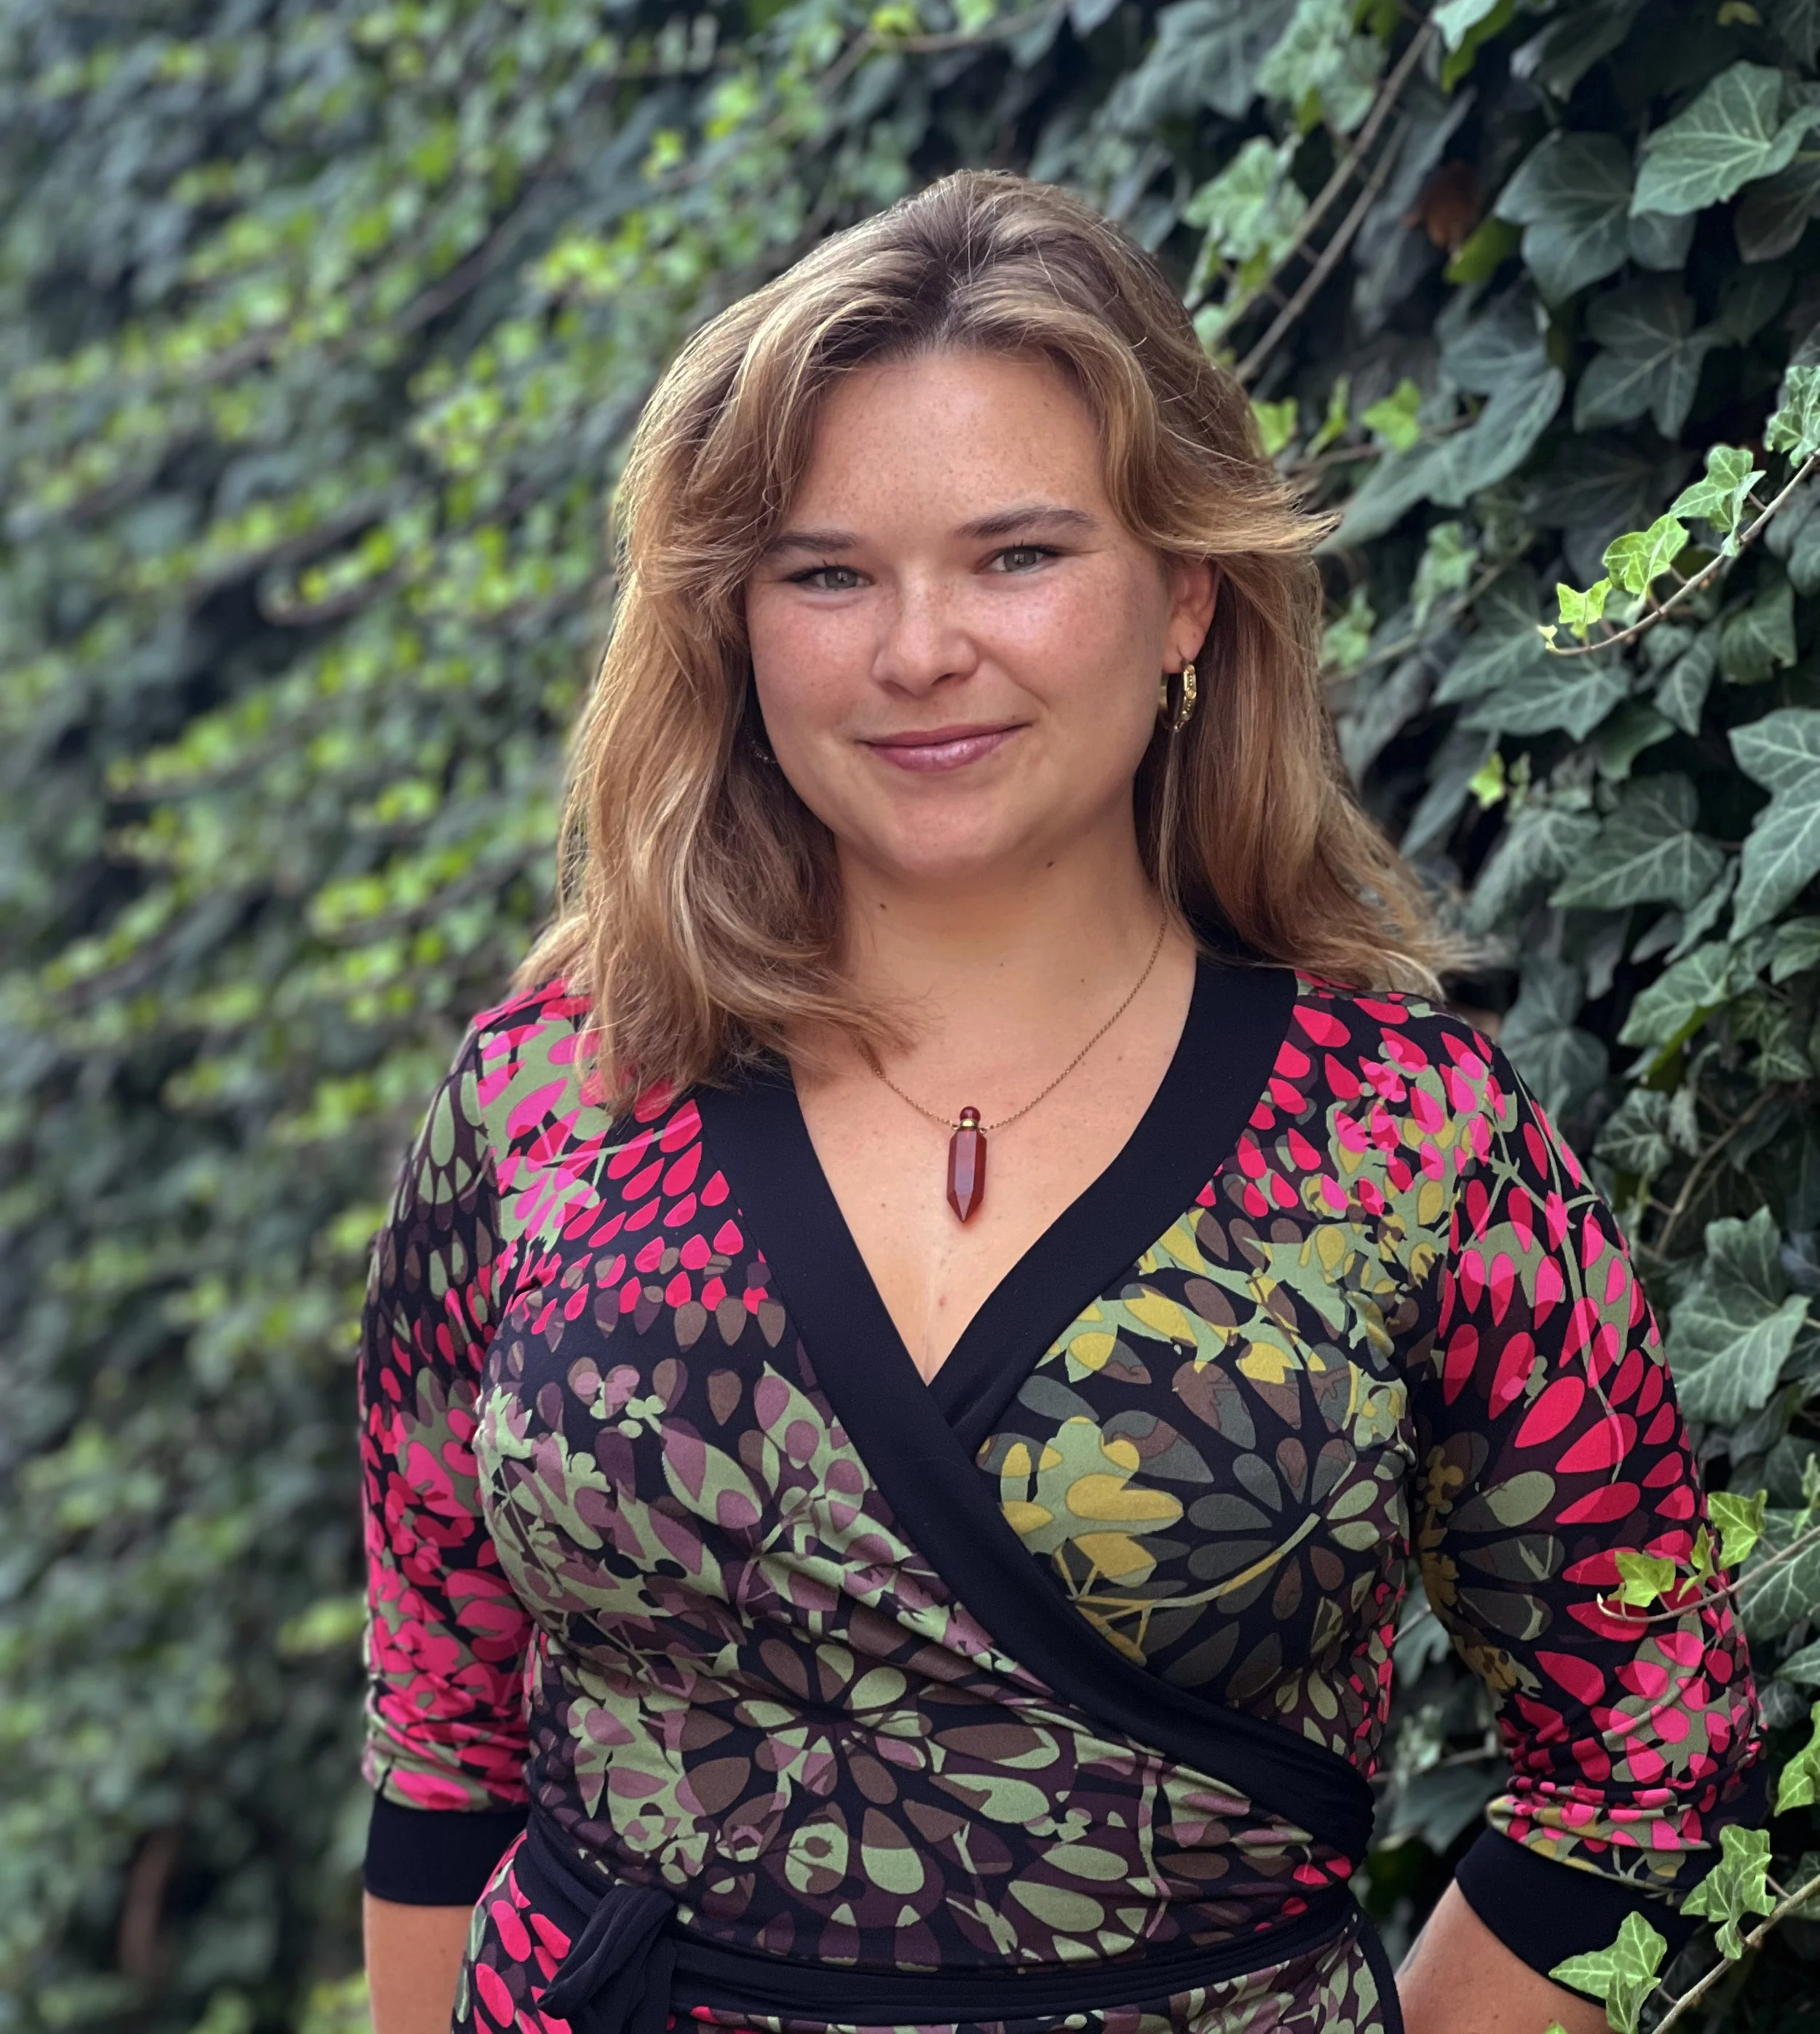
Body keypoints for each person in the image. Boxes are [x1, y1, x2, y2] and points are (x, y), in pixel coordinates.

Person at [357, 169, 1765, 2034]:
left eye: (1016, 555)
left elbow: (1643, 1742)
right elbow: (447, 1740)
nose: (918, 648)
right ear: (736, 626)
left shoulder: (1403, 1138)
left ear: (1185, 595)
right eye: (826, 570)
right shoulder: (549, 1104)